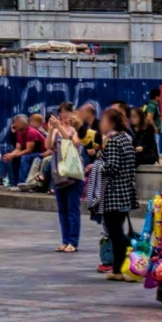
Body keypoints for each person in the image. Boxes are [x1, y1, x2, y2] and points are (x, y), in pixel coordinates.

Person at [92, 104, 141, 282]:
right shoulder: (126, 139)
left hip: (113, 194)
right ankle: (121, 267)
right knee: (117, 230)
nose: (101, 124)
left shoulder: (113, 141)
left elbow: (112, 166)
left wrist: (96, 166)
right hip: (125, 192)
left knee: (115, 233)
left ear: (111, 123)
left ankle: (120, 268)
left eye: (103, 121)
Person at [50, 108, 86, 252]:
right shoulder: (56, 130)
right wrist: (51, 130)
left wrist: (60, 128)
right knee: (62, 210)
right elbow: (48, 146)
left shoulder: (78, 129)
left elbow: (73, 143)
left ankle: (73, 241)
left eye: (67, 113)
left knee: (72, 209)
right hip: (59, 172)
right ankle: (65, 240)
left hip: (73, 173)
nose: (64, 116)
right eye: (62, 113)